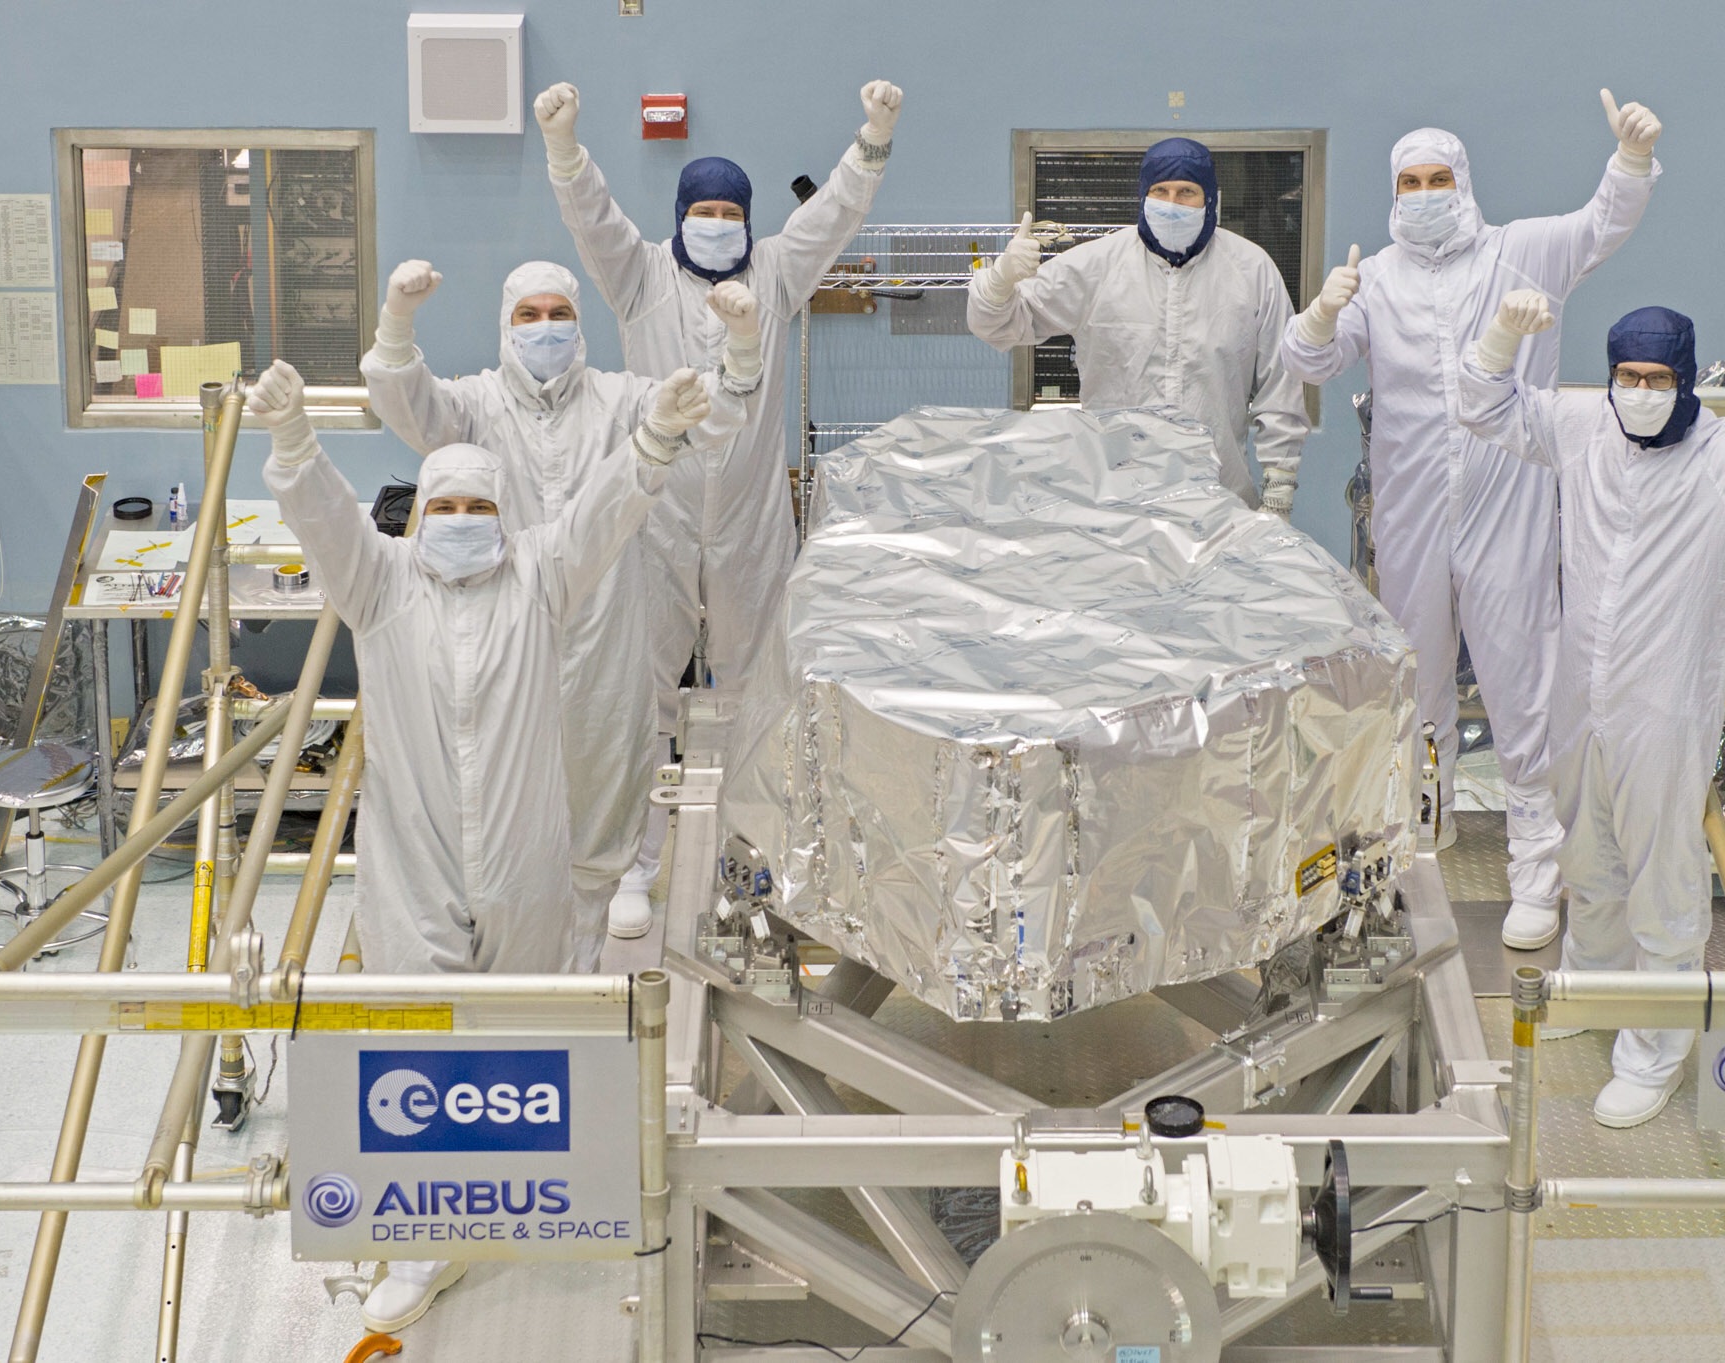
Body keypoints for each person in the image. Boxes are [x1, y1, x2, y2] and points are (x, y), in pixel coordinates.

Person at [250, 357, 714, 1328]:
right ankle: (423, 1246)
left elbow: (602, 514)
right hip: (412, 871)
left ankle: (524, 1203)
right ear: (418, 513)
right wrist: (294, 440)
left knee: (519, 1037)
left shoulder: (538, 577)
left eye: (476, 503)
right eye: (443, 502)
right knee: (418, 1045)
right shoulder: (380, 587)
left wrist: (655, 440)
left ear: (501, 515)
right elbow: (326, 519)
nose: (459, 518)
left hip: (523, 862)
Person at [1458, 290, 1725, 1128]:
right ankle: (1594, 986)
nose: (1639, 390)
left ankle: (1654, 1049)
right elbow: (1481, 404)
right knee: (1587, 855)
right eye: (1625, 375)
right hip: (1583, 692)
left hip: (1664, 706)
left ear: (1685, 381)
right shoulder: (1583, 426)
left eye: (1656, 377)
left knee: (1662, 880)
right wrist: (1502, 332)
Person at [1280, 90, 1663, 953]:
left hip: (1511, 508)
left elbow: (1602, 223)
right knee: (1412, 694)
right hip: (1411, 510)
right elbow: (1306, 361)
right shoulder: (1376, 277)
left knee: (1523, 690)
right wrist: (1323, 309)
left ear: (1464, 181)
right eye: (1409, 180)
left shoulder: (1522, 252)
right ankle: (1419, 853)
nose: (1424, 193)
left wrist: (1631, 159)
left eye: (1438, 177)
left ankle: (1536, 871)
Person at [534, 77, 903, 934]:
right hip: (653, 518)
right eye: (701, 210)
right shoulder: (640, 277)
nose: (716, 223)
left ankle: (755, 870)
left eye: (728, 211)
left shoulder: (773, 272)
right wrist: (564, 151)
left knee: (752, 697)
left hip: (749, 524)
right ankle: (637, 867)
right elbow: (593, 219)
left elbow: (835, 214)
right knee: (644, 699)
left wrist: (873, 140)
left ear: (745, 220)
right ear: (679, 216)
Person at [360, 258, 759, 964]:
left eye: (558, 314)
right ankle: (505, 950)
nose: (545, 328)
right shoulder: (476, 405)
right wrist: (396, 322)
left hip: (603, 630)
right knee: (502, 798)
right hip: (504, 635)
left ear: (581, 324)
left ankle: (607, 900)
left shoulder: (619, 399)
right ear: (505, 327)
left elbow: (711, 420)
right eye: (528, 315)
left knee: (604, 768)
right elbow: (407, 405)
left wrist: (743, 348)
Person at [966, 136, 1307, 513]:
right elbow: (998, 326)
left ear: (1210, 198)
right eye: (1159, 190)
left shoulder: (1251, 270)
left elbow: (1282, 381)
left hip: (1217, 497)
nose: (1171, 203)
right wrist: (1000, 281)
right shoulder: (1096, 266)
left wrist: (1280, 485)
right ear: (1143, 196)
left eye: (1186, 192)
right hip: (1116, 500)